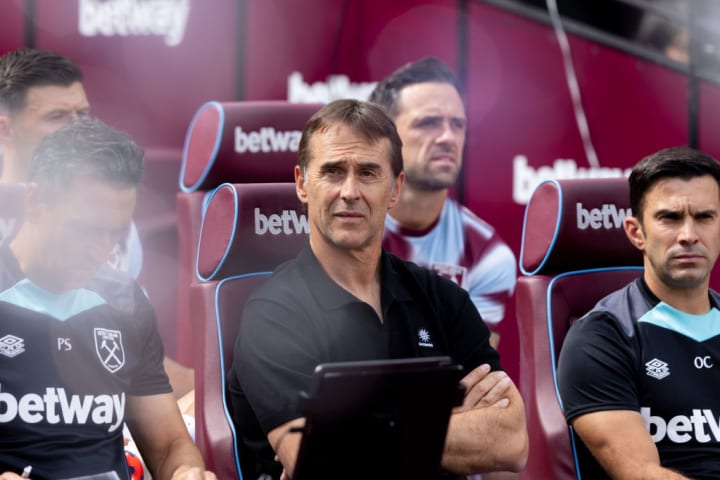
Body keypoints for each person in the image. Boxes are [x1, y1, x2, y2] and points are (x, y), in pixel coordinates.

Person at [227, 99, 528, 479]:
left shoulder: (442, 299)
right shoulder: (272, 314)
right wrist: (447, 425)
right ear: (302, 184)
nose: (350, 191)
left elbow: (511, 440)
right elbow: (316, 460)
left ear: (395, 188)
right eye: (333, 172)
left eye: (368, 173)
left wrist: (353, 433)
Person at [0, 117, 215, 480]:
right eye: (84, 229)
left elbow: (167, 446)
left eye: (114, 235)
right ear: (34, 201)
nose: (99, 251)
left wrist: (186, 472)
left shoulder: (123, 298)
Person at [0, 47, 194, 400]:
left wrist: (207, 391)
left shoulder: (118, 226)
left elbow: (131, 350)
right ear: (5, 128)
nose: (78, 130)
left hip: (103, 409)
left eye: (84, 114)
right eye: (57, 116)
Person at [556, 146, 720, 479]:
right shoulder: (602, 336)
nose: (689, 235)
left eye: (704, 217)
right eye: (669, 218)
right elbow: (641, 473)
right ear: (636, 232)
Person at [368, 57, 516, 348]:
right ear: (383, 138)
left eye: (457, 124)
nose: (448, 137)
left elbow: (473, 375)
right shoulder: (344, 226)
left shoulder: (487, 254)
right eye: (429, 123)